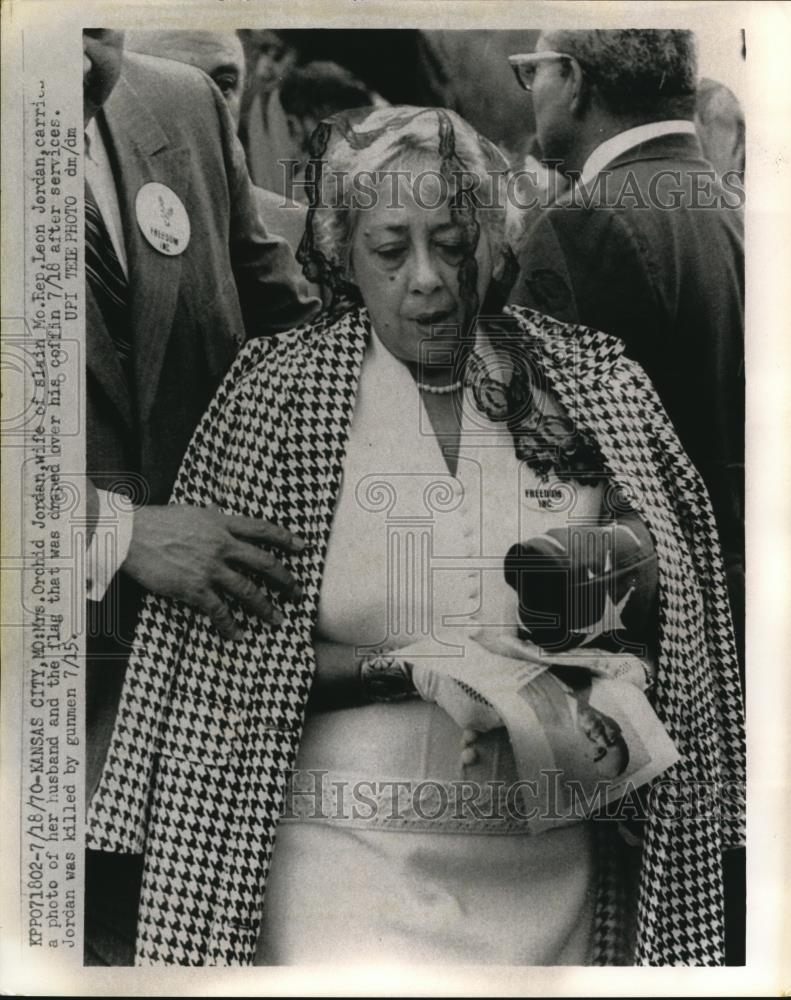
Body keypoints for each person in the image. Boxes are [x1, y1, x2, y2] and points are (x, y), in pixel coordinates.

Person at [86, 107, 744, 967]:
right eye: (391, 250)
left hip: (555, 872)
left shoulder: (591, 382)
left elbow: (679, 611)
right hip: (339, 867)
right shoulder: (276, 399)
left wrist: (610, 587)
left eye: (454, 243)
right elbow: (219, 670)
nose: (427, 279)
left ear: (495, 240)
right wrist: (410, 666)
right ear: (344, 256)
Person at [82, 29, 319, 965]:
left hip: (212, 708)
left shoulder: (180, 104)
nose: (83, 49)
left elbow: (291, 335)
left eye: (97, 23)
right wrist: (113, 530)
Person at [506, 30, 745, 669]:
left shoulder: (586, 224)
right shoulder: (730, 206)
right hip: (731, 621)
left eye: (532, 71)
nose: (531, 91)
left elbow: (529, 459)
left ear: (574, 80)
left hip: (638, 640)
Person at [123, 29, 312, 257]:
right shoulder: (99, 225)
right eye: (172, 84)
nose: (205, 108)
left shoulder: (298, 236)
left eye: (224, 85)